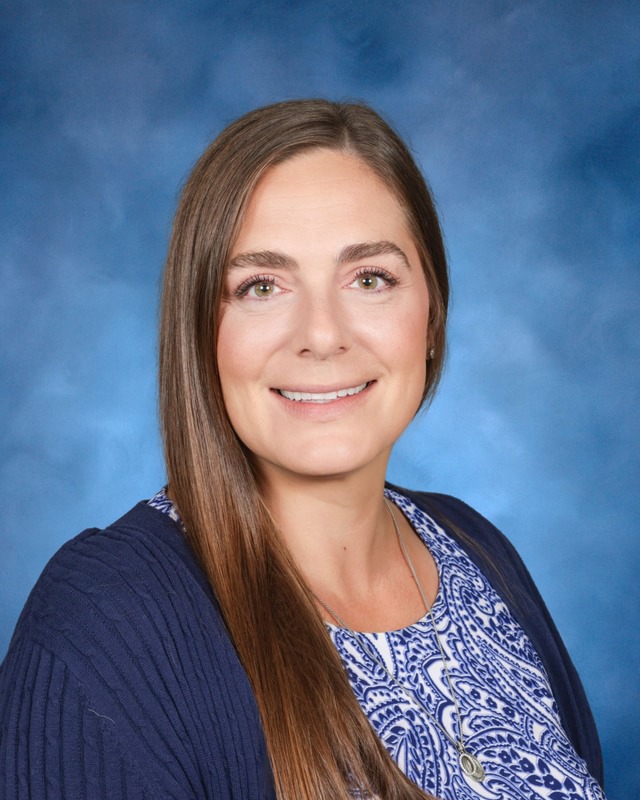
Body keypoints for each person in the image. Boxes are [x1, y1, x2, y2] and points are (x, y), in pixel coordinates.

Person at [0, 99, 606, 800]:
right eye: (261, 286)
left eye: (369, 279)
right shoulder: (108, 624)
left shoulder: (480, 553)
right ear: (200, 332)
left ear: (432, 315)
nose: (322, 334)